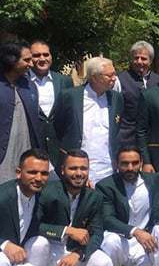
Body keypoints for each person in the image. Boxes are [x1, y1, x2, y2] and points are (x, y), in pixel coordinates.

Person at [27, 150, 114, 266]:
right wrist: (66, 231)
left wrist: (79, 254)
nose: (79, 173)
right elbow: (34, 226)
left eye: (83, 168)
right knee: (38, 244)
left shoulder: (95, 197)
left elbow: (97, 233)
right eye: (73, 168)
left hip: (73, 251)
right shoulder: (47, 192)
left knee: (105, 265)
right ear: (62, 170)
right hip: (49, 249)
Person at [95, 146, 159, 266]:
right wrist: (135, 232)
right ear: (116, 164)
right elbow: (107, 219)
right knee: (111, 241)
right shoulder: (105, 186)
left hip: (143, 240)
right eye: (124, 163)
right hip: (118, 237)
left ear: (141, 163)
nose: (130, 168)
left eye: (134, 163)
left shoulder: (153, 181)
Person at [51, 56, 124, 184]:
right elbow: (57, 128)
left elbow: (117, 130)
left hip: (108, 168)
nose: (114, 78)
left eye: (114, 74)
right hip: (77, 169)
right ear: (94, 77)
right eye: (109, 75)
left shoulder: (116, 98)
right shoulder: (70, 97)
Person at [0, 41, 42, 186]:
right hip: (0, 156)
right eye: (26, 60)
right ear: (11, 60)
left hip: (26, 152)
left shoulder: (29, 86)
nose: (31, 64)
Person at [28, 39, 74, 172]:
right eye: (36, 55)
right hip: (33, 146)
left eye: (46, 55)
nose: (42, 59)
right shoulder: (22, 81)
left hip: (59, 148)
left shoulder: (64, 81)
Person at [113, 41, 159, 145]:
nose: (139, 61)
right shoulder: (119, 80)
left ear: (151, 61)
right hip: (127, 139)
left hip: (152, 140)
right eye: (136, 58)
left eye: (143, 58)